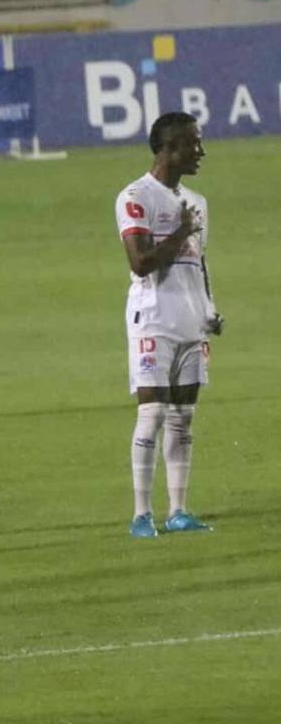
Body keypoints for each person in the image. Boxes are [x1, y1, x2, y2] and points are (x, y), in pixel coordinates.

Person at [116, 112, 221, 537]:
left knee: (182, 417)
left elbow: (199, 263)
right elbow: (140, 263)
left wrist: (209, 309)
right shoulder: (135, 196)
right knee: (153, 413)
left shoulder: (198, 202)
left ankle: (178, 511)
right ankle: (142, 515)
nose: (201, 151)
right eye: (193, 143)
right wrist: (179, 231)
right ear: (168, 148)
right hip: (153, 320)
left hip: (191, 324)